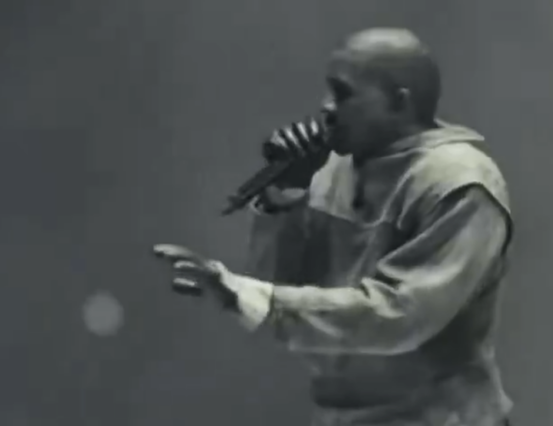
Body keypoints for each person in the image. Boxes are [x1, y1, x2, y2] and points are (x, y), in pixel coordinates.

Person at [153, 27, 516, 426]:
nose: (326, 107)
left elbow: (401, 315)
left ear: (400, 101)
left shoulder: (458, 183)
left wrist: (254, 297)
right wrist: (284, 203)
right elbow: (280, 290)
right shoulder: (330, 170)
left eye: (343, 94)